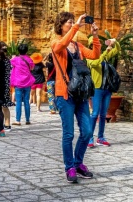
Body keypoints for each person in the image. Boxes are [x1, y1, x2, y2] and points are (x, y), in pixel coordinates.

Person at [50, 12, 101, 183]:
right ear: (61, 25)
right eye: (69, 22)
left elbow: (95, 55)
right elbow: (60, 46)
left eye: (73, 22)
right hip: (64, 95)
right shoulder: (56, 42)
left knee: (87, 132)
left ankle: (78, 163)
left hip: (80, 94)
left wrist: (95, 36)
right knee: (69, 134)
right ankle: (69, 167)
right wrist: (77, 26)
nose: (72, 24)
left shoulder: (77, 46)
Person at [86, 36, 119, 147]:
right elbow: (96, 63)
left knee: (103, 114)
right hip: (97, 88)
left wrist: (115, 42)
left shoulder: (103, 56)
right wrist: (106, 51)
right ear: (91, 46)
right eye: (94, 45)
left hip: (107, 88)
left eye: (98, 45)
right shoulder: (89, 57)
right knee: (95, 113)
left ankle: (100, 137)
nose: (97, 47)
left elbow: (117, 50)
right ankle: (89, 138)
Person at [10, 43, 35, 125]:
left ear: (18, 50)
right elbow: (32, 67)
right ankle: (27, 120)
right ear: (26, 51)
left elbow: (10, 63)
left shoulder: (15, 59)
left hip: (18, 83)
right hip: (27, 82)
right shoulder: (29, 59)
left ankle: (18, 120)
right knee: (27, 101)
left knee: (19, 102)